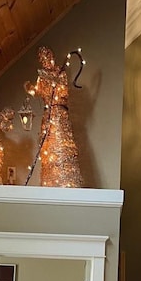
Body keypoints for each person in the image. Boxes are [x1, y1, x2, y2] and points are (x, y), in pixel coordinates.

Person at [25, 46, 84, 188]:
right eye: (42, 58)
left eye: (47, 56)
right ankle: (51, 180)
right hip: (47, 115)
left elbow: (63, 90)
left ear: (51, 57)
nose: (45, 60)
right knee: (49, 147)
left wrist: (50, 77)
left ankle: (66, 178)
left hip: (58, 114)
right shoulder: (42, 75)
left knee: (61, 142)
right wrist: (30, 88)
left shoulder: (60, 72)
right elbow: (38, 92)